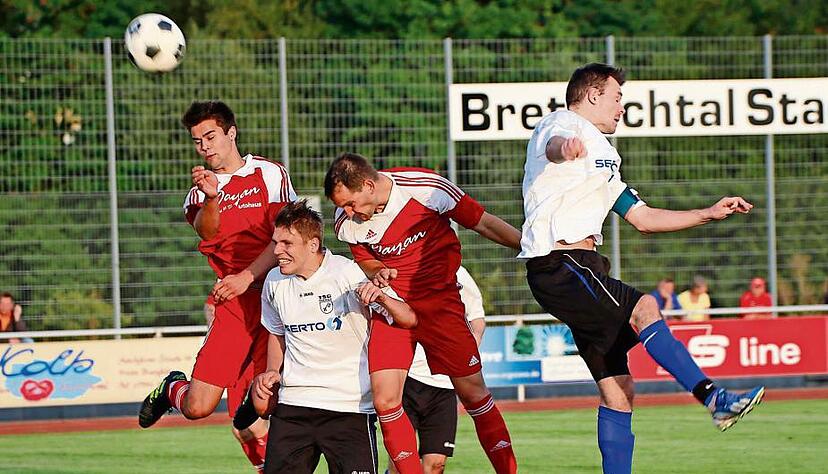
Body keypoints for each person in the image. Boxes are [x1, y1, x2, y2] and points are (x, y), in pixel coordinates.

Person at [520, 63, 764, 474]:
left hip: (583, 267)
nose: (621, 107)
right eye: (617, 97)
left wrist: (707, 213)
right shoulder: (562, 124)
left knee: (619, 391)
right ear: (593, 94)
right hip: (561, 264)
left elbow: (643, 218)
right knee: (645, 307)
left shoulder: (605, 156)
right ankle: (714, 398)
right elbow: (553, 145)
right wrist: (566, 148)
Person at [324, 153, 520, 474]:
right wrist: (380, 271)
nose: (347, 212)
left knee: (474, 394)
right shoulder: (348, 222)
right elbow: (366, 260)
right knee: (386, 400)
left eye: (351, 203)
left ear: (370, 185)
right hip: (391, 306)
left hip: (440, 304)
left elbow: (483, 221)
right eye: (341, 205)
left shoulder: (427, 189)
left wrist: (530, 248)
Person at [138, 100, 295, 473]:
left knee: (261, 406)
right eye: (197, 141)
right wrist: (212, 197)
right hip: (234, 307)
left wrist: (248, 276)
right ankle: (172, 387)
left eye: (210, 136)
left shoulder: (270, 173)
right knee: (197, 407)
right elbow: (208, 231)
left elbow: (287, 236)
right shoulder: (198, 192)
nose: (205, 146)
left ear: (231, 133)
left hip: (276, 298)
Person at [250, 200, 416, 474]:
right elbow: (276, 332)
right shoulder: (274, 282)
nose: (277, 251)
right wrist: (270, 371)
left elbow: (409, 318)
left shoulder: (346, 272)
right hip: (294, 407)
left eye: (286, 244)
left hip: (348, 408)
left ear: (313, 245)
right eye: (275, 242)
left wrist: (382, 298)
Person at [386, 265, 487, 474]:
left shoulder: (457, 272)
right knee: (401, 463)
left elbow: (477, 318)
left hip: (444, 385)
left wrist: (464, 353)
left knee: (436, 465)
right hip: (407, 379)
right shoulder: (398, 267)